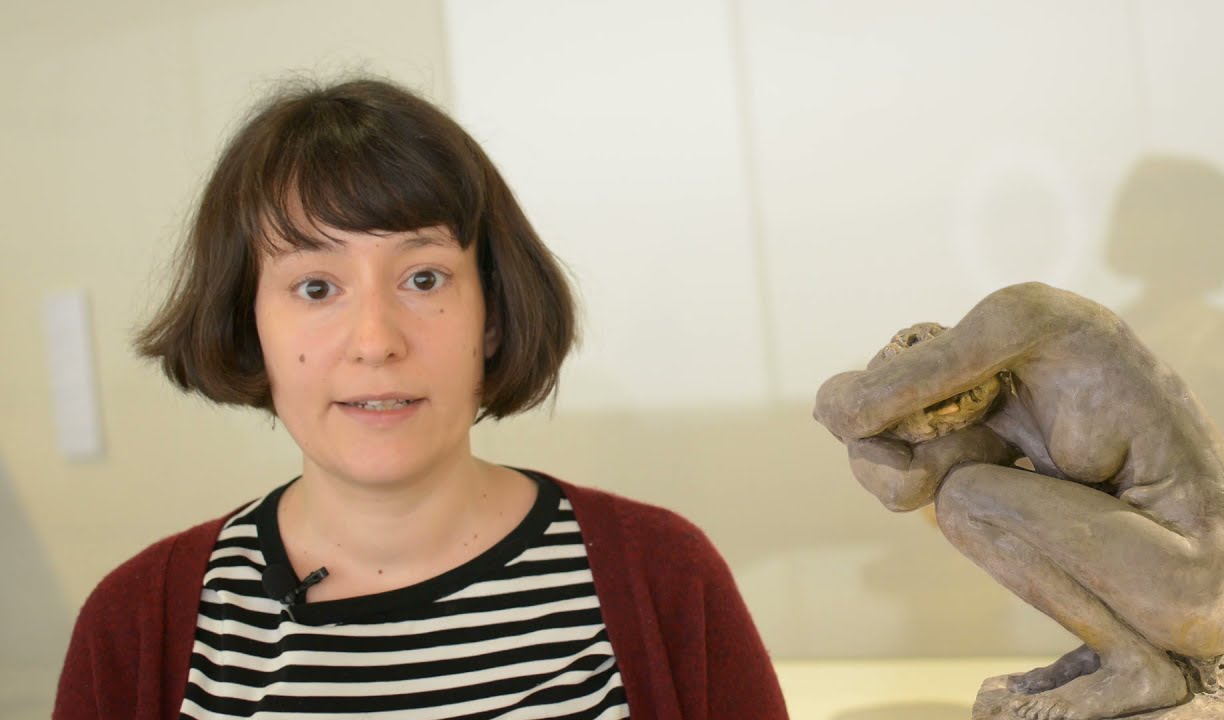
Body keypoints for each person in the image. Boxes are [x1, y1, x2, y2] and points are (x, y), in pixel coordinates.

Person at [54, 77, 788, 720]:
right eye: (316, 287)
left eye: (424, 278)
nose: (376, 342)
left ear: (493, 312)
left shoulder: (664, 577)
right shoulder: (135, 626)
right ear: (249, 326)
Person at [814, 282, 1224, 720]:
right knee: (959, 502)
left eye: (921, 382)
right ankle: (1124, 651)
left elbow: (855, 407)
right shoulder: (998, 416)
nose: (950, 410)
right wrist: (867, 437)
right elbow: (901, 490)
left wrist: (836, 406)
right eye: (933, 419)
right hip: (1174, 596)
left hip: (1208, 575)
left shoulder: (1027, 314)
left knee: (966, 495)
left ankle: (1136, 668)